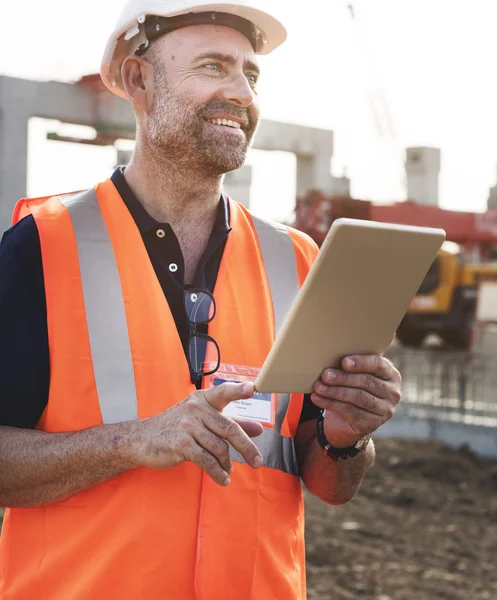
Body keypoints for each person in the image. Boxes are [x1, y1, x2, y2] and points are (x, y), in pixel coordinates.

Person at [0, 1, 402, 598]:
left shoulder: (296, 261)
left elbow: (329, 484)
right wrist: (132, 440)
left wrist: (346, 437)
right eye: (213, 66)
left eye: (251, 73)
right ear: (139, 80)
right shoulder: (43, 246)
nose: (242, 92)